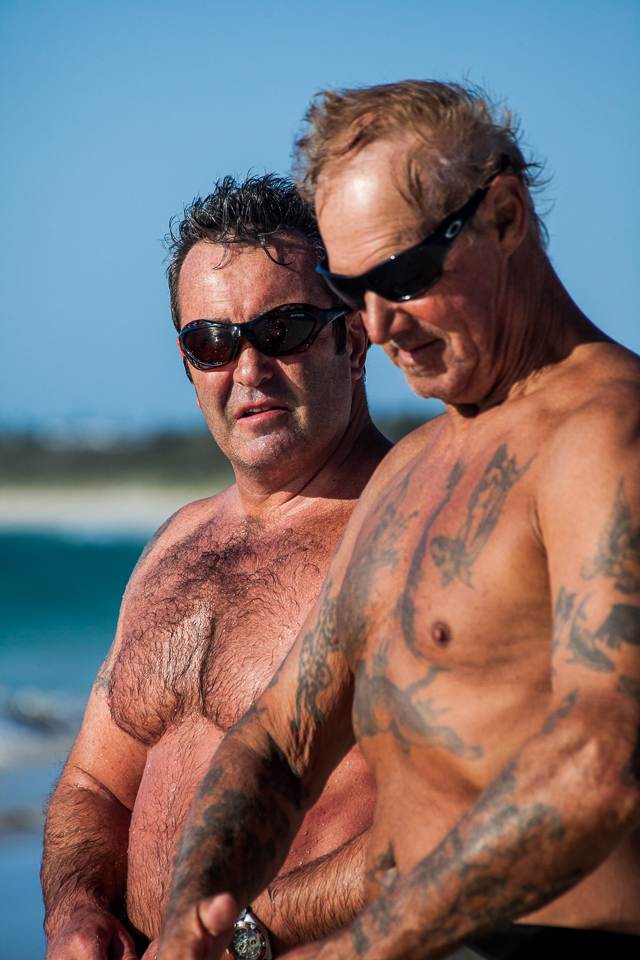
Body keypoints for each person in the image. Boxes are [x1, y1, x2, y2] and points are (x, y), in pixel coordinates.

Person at [156, 82, 640, 959]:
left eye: (404, 278)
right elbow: (280, 740)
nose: (378, 328)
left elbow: (602, 764)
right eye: (352, 290)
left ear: (504, 216)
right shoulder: (413, 469)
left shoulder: (608, 433)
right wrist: (194, 918)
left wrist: (363, 948)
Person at [41, 174, 391, 959]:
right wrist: (76, 910)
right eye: (212, 342)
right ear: (187, 363)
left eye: (285, 329)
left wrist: (235, 936)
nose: (248, 368)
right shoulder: (174, 546)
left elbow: (454, 822)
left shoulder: (409, 531)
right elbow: (94, 785)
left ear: (354, 338)